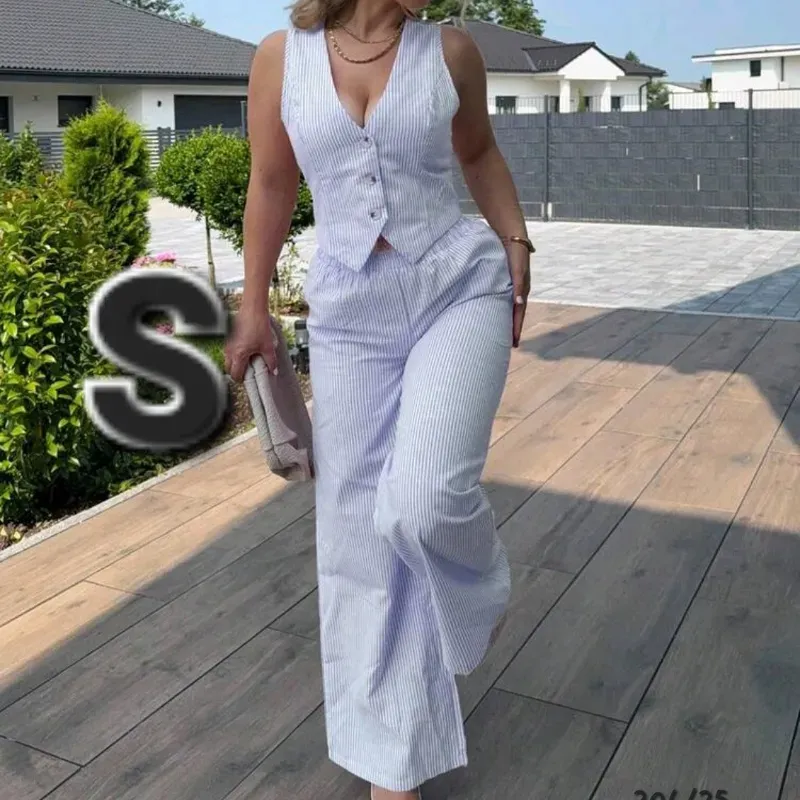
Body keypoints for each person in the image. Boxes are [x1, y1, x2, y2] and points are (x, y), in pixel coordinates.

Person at [223, 1, 533, 797]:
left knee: (423, 503)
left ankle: (478, 590)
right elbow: (271, 182)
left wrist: (515, 240)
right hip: (349, 311)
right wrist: (252, 306)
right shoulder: (280, 58)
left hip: (455, 287)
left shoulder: (451, 51)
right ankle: (393, 767)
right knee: (358, 538)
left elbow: (479, 152)